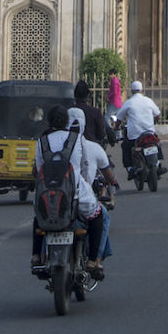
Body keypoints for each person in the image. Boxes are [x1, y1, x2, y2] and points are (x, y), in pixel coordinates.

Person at [32, 105, 106, 279]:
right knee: (98, 215)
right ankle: (93, 260)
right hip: (76, 191)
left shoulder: (41, 141)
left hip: (47, 194)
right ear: (66, 121)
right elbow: (85, 166)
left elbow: (38, 169)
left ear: (48, 122)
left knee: (38, 217)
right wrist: (87, 184)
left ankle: (36, 255)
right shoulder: (77, 139)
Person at [66, 107, 116, 260]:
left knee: (46, 222)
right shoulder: (94, 148)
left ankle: (40, 256)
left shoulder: (56, 143)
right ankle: (97, 260)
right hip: (83, 198)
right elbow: (109, 176)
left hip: (60, 197)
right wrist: (112, 185)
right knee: (103, 217)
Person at [119, 80, 166, 176]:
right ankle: (159, 163)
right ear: (142, 90)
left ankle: (130, 168)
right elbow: (157, 114)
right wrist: (155, 121)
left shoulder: (129, 103)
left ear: (132, 91)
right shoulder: (148, 101)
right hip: (149, 133)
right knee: (156, 142)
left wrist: (115, 127)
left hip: (134, 136)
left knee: (125, 146)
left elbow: (119, 118)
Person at [73, 79, 111, 150]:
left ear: (74, 95)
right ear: (87, 95)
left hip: (72, 149)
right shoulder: (95, 112)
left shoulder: (69, 111)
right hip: (91, 147)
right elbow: (101, 134)